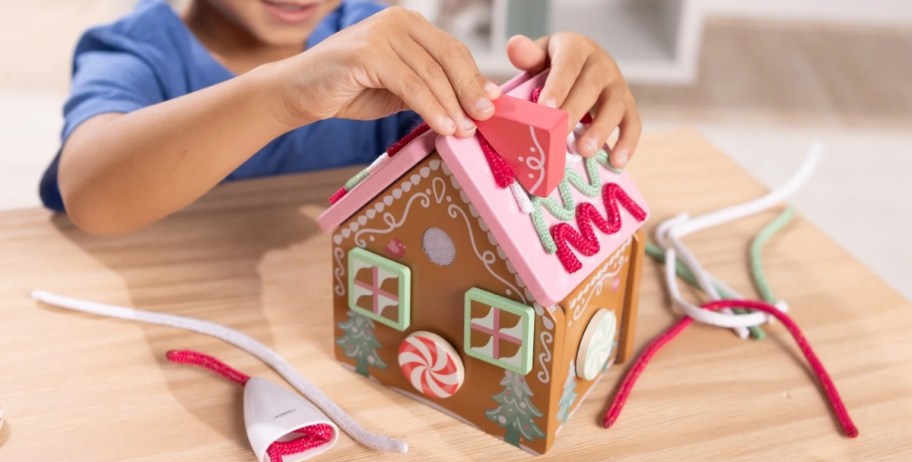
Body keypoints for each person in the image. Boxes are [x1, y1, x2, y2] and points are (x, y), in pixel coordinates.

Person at [40, 0, 641, 235]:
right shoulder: (137, 52)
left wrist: (546, 93)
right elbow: (92, 194)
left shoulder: (370, 30)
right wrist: (284, 94)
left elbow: (474, 150)